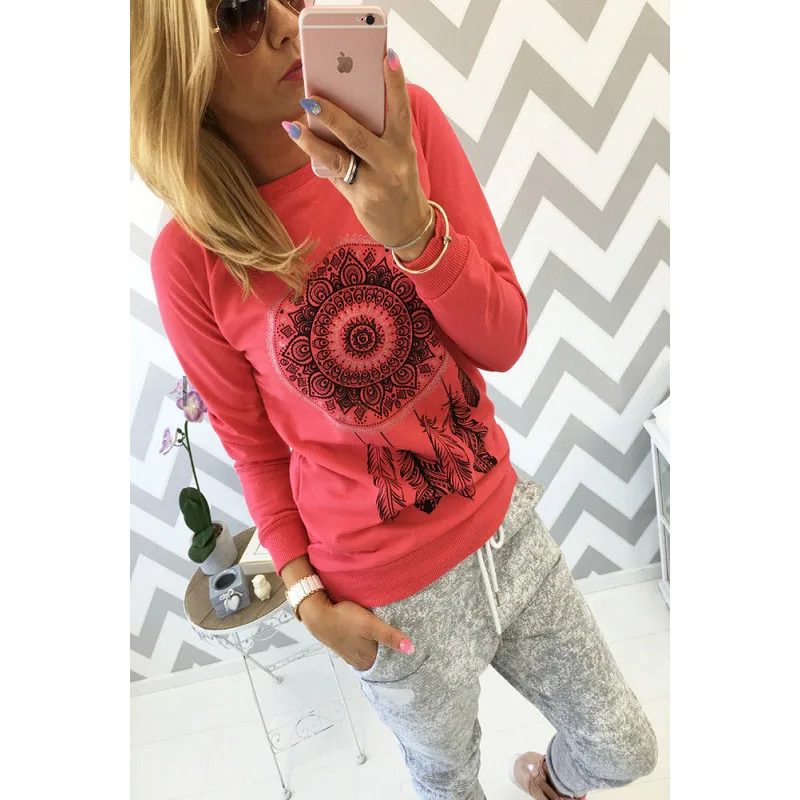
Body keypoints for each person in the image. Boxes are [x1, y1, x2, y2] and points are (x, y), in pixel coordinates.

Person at [130, 1, 658, 798]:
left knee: (624, 748)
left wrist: (414, 232)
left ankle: (550, 783)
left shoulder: (405, 127)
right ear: (180, 67)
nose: (287, 25)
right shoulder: (190, 258)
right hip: (388, 598)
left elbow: (504, 341)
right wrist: (307, 601)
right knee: (447, 783)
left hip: (504, 530)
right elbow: (254, 448)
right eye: (238, 12)